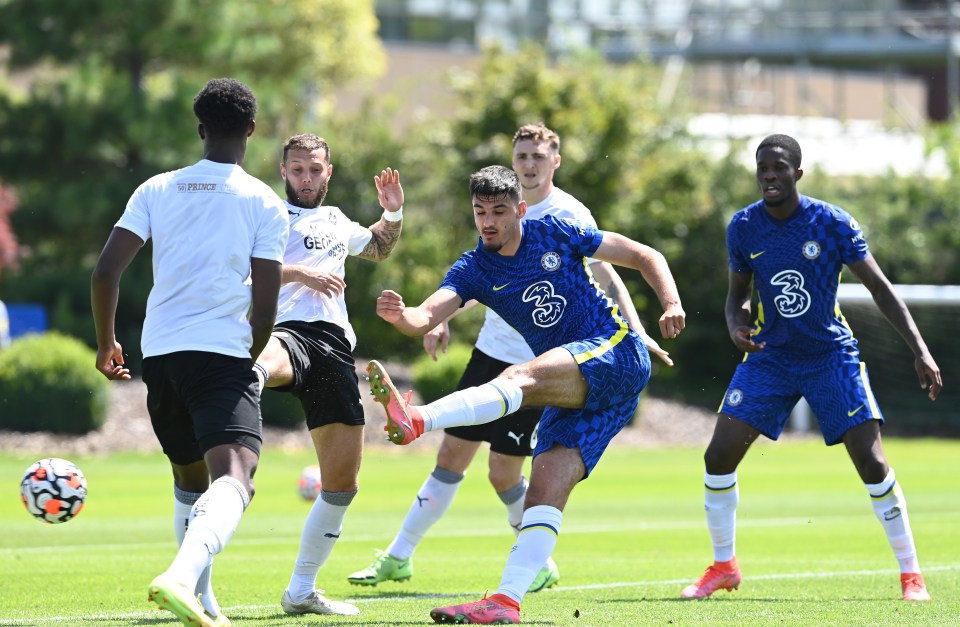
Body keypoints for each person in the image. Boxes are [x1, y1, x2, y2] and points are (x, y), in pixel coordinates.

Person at [348, 123, 672, 594]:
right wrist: (405, 317)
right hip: (521, 363)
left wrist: (656, 318)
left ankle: (418, 418)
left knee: (512, 420)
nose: (488, 220)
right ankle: (505, 597)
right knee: (542, 481)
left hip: (598, 354)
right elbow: (425, 314)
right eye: (480, 212)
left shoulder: (561, 222)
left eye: (498, 211)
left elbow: (629, 263)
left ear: (523, 204)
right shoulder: (473, 266)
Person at [679, 134, 942, 602]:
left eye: (779, 168)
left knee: (872, 462)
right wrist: (737, 324)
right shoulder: (743, 226)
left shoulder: (832, 222)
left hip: (830, 357)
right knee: (717, 456)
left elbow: (880, 288)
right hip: (771, 357)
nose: (769, 176)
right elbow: (737, 293)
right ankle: (724, 566)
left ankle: (911, 575)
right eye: (763, 168)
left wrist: (920, 348)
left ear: (797, 173)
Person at [91, 78, 288, 627]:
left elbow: (106, 270)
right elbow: (266, 308)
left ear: (200, 129)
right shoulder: (263, 202)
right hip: (221, 355)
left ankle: (203, 601)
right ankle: (180, 578)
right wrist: (248, 357)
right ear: (251, 130)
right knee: (237, 478)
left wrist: (108, 343)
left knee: (189, 478)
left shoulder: (157, 187)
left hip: (159, 356)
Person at [251, 133, 404, 616]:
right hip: (286, 331)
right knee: (269, 357)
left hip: (335, 348)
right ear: (283, 172)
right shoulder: (266, 214)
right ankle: (244, 378)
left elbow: (378, 247)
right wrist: (301, 275)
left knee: (342, 483)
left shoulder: (337, 219)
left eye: (315, 169)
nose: (306, 178)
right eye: (297, 169)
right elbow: (241, 273)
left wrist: (394, 212)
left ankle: (301, 590)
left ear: (328, 172)